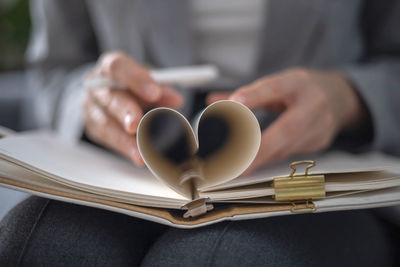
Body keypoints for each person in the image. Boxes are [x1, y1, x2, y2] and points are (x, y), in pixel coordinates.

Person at [1, 0, 399, 265]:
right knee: (40, 244)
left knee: (223, 259)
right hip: (133, 160)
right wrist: (88, 103)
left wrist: (350, 98)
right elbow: (54, 70)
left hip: (314, 165)